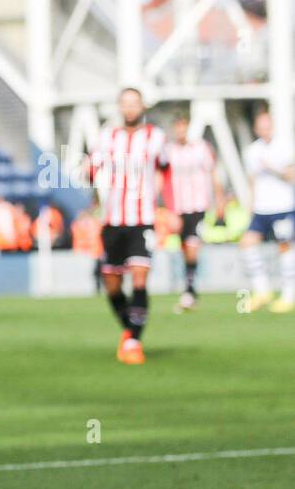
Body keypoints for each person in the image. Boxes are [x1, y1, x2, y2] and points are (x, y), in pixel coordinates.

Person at [87, 87, 167, 365]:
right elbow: (91, 170)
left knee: (140, 277)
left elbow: (164, 171)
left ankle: (134, 341)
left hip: (142, 219)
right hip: (112, 220)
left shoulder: (155, 137)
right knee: (111, 284)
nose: (131, 108)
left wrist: (166, 207)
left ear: (142, 106)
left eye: (135, 103)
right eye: (126, 104)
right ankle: (130, 329)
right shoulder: (107, 136)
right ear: (120, 107)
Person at [164, 115, 226, 312]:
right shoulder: (169, 151)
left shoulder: (201, 148)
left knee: (192, 246)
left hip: (198, 207)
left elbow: (213, 174)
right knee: (184, 248)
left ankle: (189, 292)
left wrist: (220, 201)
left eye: (183, 128)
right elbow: (163, 178)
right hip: (178, 208)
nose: (180, 132)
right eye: (177, 128)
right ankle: (190, 289)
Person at [240, 109, 295, 313]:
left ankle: (289, 295)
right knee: (247, 243)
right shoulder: (252, 151)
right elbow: (252, 181)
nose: (264, 130)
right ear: (256, 129)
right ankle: (262, 290)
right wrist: (250, 205)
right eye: (260, 127)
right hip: (262, 208)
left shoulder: (285, 146)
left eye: (267, 126)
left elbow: (291, 176)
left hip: (283, 206)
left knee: (285, 248)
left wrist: (272, 167)